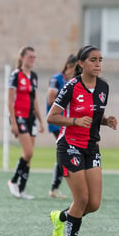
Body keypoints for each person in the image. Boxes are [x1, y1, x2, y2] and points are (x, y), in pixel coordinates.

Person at [47, 45, 117, 236]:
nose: (98, 64)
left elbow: (94, 117)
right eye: (93, 60)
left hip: (91, 147)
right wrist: (75, 121)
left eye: (100, 60)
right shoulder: (71, 86)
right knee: (82, 199)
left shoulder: (104, 87)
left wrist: (106, 121)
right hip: (69, 146)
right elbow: (52, 117)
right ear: (81, 63)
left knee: (94, 204)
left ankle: (61, 217)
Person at [7, 46, 44, 200]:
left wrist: (41, 120)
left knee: (28, 156)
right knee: (28, 152)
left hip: (31, 118)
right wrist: (13, 123)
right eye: (30, 57)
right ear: (22, 58)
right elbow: (10, 101)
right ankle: (13, 181)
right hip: (19, 116)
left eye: (34, 57)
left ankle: (21, 190)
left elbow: (34, 99)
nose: (32, 60)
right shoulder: (16, 75)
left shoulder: (34, 76)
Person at [46, 54, 77, 198]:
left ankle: (55, 188)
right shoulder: (57, 79)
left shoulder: (75, 81)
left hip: (68, 121)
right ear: (69, 67)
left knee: (65, 154)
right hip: (58, 122)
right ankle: (54, 188)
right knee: (64, 153)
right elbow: (51, 99)